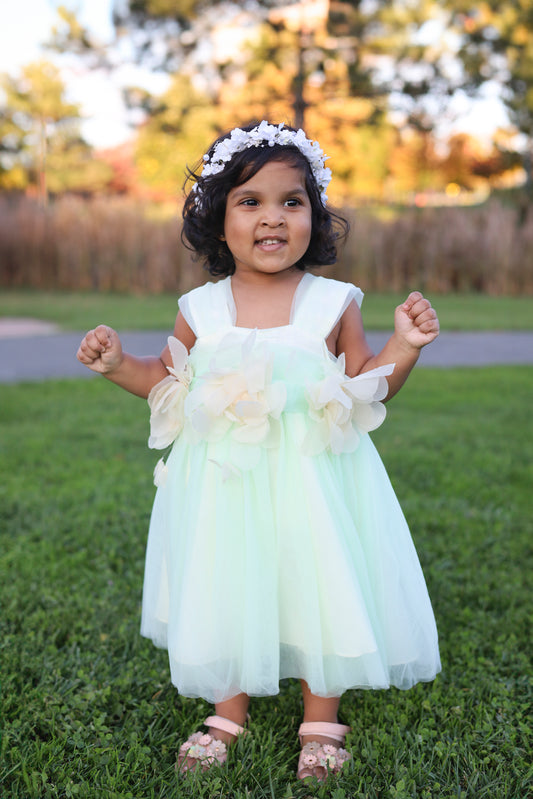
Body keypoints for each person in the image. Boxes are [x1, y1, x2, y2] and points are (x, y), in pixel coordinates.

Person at [77, 121, 441, 782]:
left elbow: (365, 384)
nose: (272, 217)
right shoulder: (201, 307)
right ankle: (227, 708)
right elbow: (168, 384)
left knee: (316, 578)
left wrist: (404, 347)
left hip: (311, 475)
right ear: (219, 222)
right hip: (223, 483)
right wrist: (116, 364)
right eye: (250, 201)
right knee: (226, 579)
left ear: (314, 216)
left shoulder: (332, 303)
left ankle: (321, 714)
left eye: (291, 201)